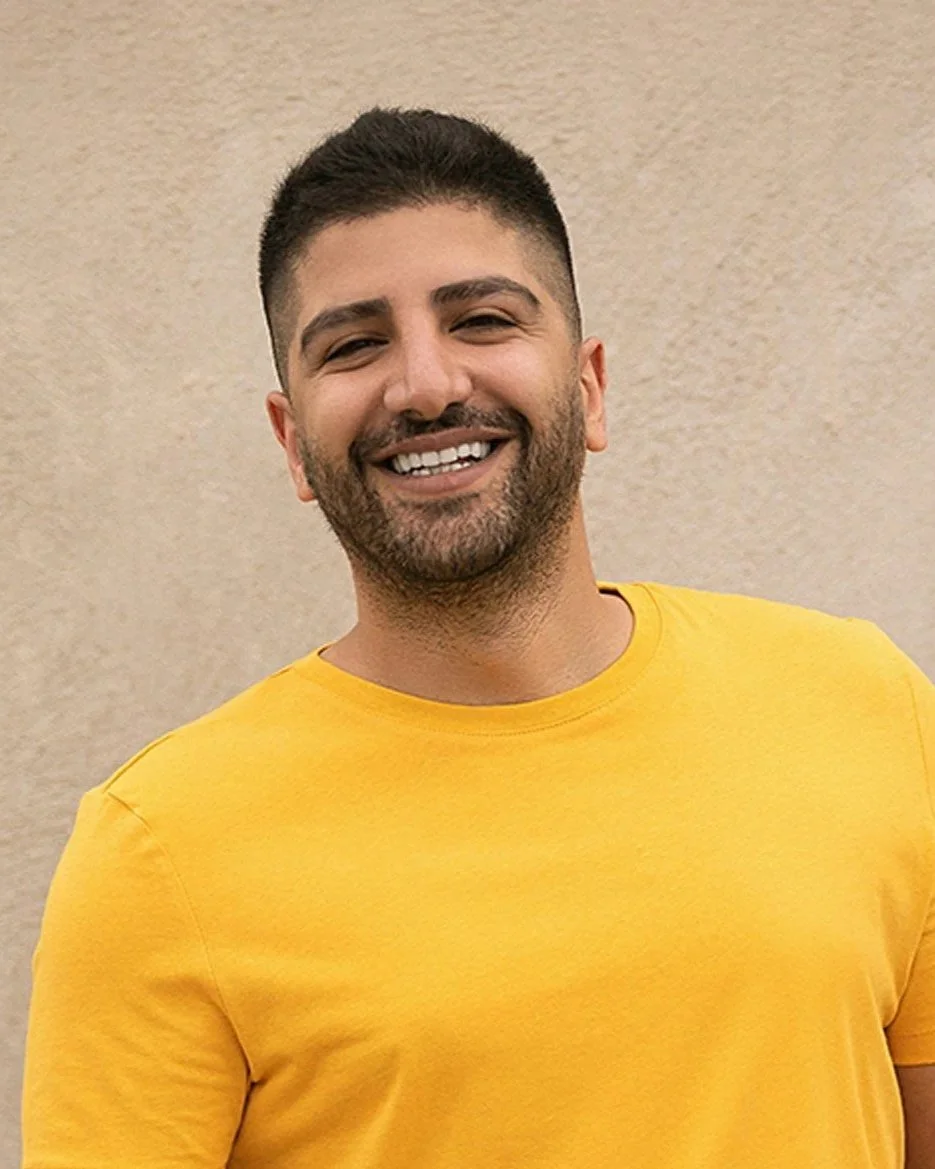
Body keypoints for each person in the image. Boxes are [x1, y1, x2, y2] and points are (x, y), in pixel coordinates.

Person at [21, 107, 935, 1169]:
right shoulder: (156, 849)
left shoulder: (856, 700)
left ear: (587, 385)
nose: (425, 384)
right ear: (293, 445)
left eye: (484, 320)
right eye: (356, 344)